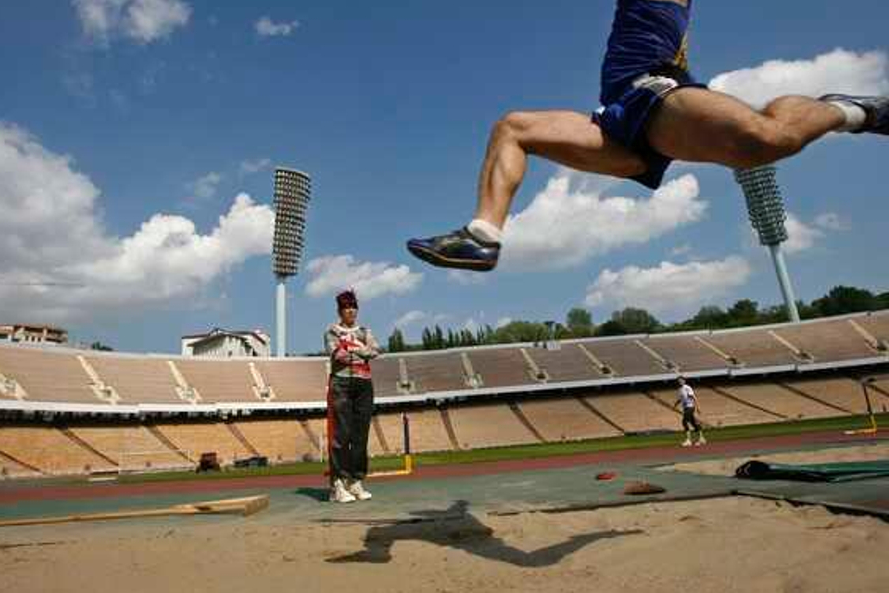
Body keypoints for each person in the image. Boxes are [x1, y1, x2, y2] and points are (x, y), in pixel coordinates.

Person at [407, 0, 889, 271]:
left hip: (655, 89)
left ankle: (851, 112)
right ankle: (483, 236)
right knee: (512, 127)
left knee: (763, 141)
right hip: (617, 116)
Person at [324, 290, 380, 503]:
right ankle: (338, 483)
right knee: (342, 434)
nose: (351, 311)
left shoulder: (365, 330)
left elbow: (375, 351)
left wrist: (353, 349)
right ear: (340, 310)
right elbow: (338, 354)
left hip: (364, 383)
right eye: (347, 307)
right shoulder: (332, 331)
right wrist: (359, 349)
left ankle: (355, 481)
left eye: (354, 307)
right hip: (342, 383)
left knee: (360, 435)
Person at [672, 376, 705, 447]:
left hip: (690, 407)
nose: (680, 382)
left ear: (684, 381)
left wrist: (698, 407)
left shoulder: (687, 388)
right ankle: (701, 438)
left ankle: (688, 440)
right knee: (693, 423)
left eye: (681, 380)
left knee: (684, 422)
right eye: (678, 381)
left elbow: (693, 397)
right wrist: (675, 405)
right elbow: (680, 399)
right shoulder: (680, 389)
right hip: (686, 408)